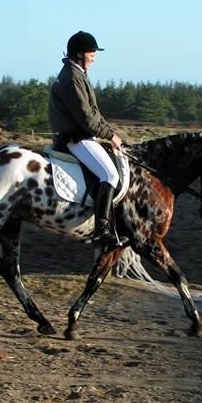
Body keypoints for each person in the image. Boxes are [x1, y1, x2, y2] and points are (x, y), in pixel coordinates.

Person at [48, 31, 128, 247]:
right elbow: (86, 117)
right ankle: (101, 229)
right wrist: (110, 136)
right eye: (92, 53)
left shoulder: (75, 74)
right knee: (111, 175)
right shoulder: (73, 77)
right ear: (80, 53)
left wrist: (109, 132)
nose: (94, 57)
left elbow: (93, 114)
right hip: (76, 138)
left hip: (80, 134)